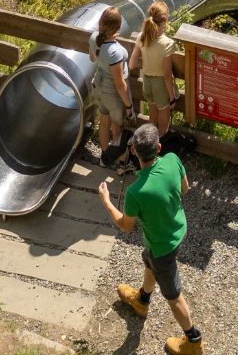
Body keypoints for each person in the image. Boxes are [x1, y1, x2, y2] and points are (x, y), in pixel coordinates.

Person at [98, 123, 205, 355]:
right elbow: (184, 188)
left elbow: (126, 227)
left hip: (162, 245)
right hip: (178, 229)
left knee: (174, 295)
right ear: (158, 146)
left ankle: (194, 341)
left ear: (135, 152)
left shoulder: (136, 192)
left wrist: (106, 201)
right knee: (149, 261)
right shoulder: (173, 160)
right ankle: (142, 301)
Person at [88, 6, 133, 165]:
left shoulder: (94, 38)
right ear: (118, 27)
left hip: (98, 87)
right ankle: (121, 160)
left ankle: (105, 158)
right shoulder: (116, 51)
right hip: (112, 93)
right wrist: (128, 104)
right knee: (117, 126)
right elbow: (119, 84)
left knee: (104, 122)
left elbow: (93, 59)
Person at [129, 0, 177, 136]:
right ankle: (159, 148)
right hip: (160, 84)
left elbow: (132, 64)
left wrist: (144, 63)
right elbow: (167, 75)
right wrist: (172, 97)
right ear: (165, 20)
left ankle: (149, 146)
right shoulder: (168, 43)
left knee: (152, 117)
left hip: (147, 83)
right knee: (164, 123)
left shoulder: (141, 37)